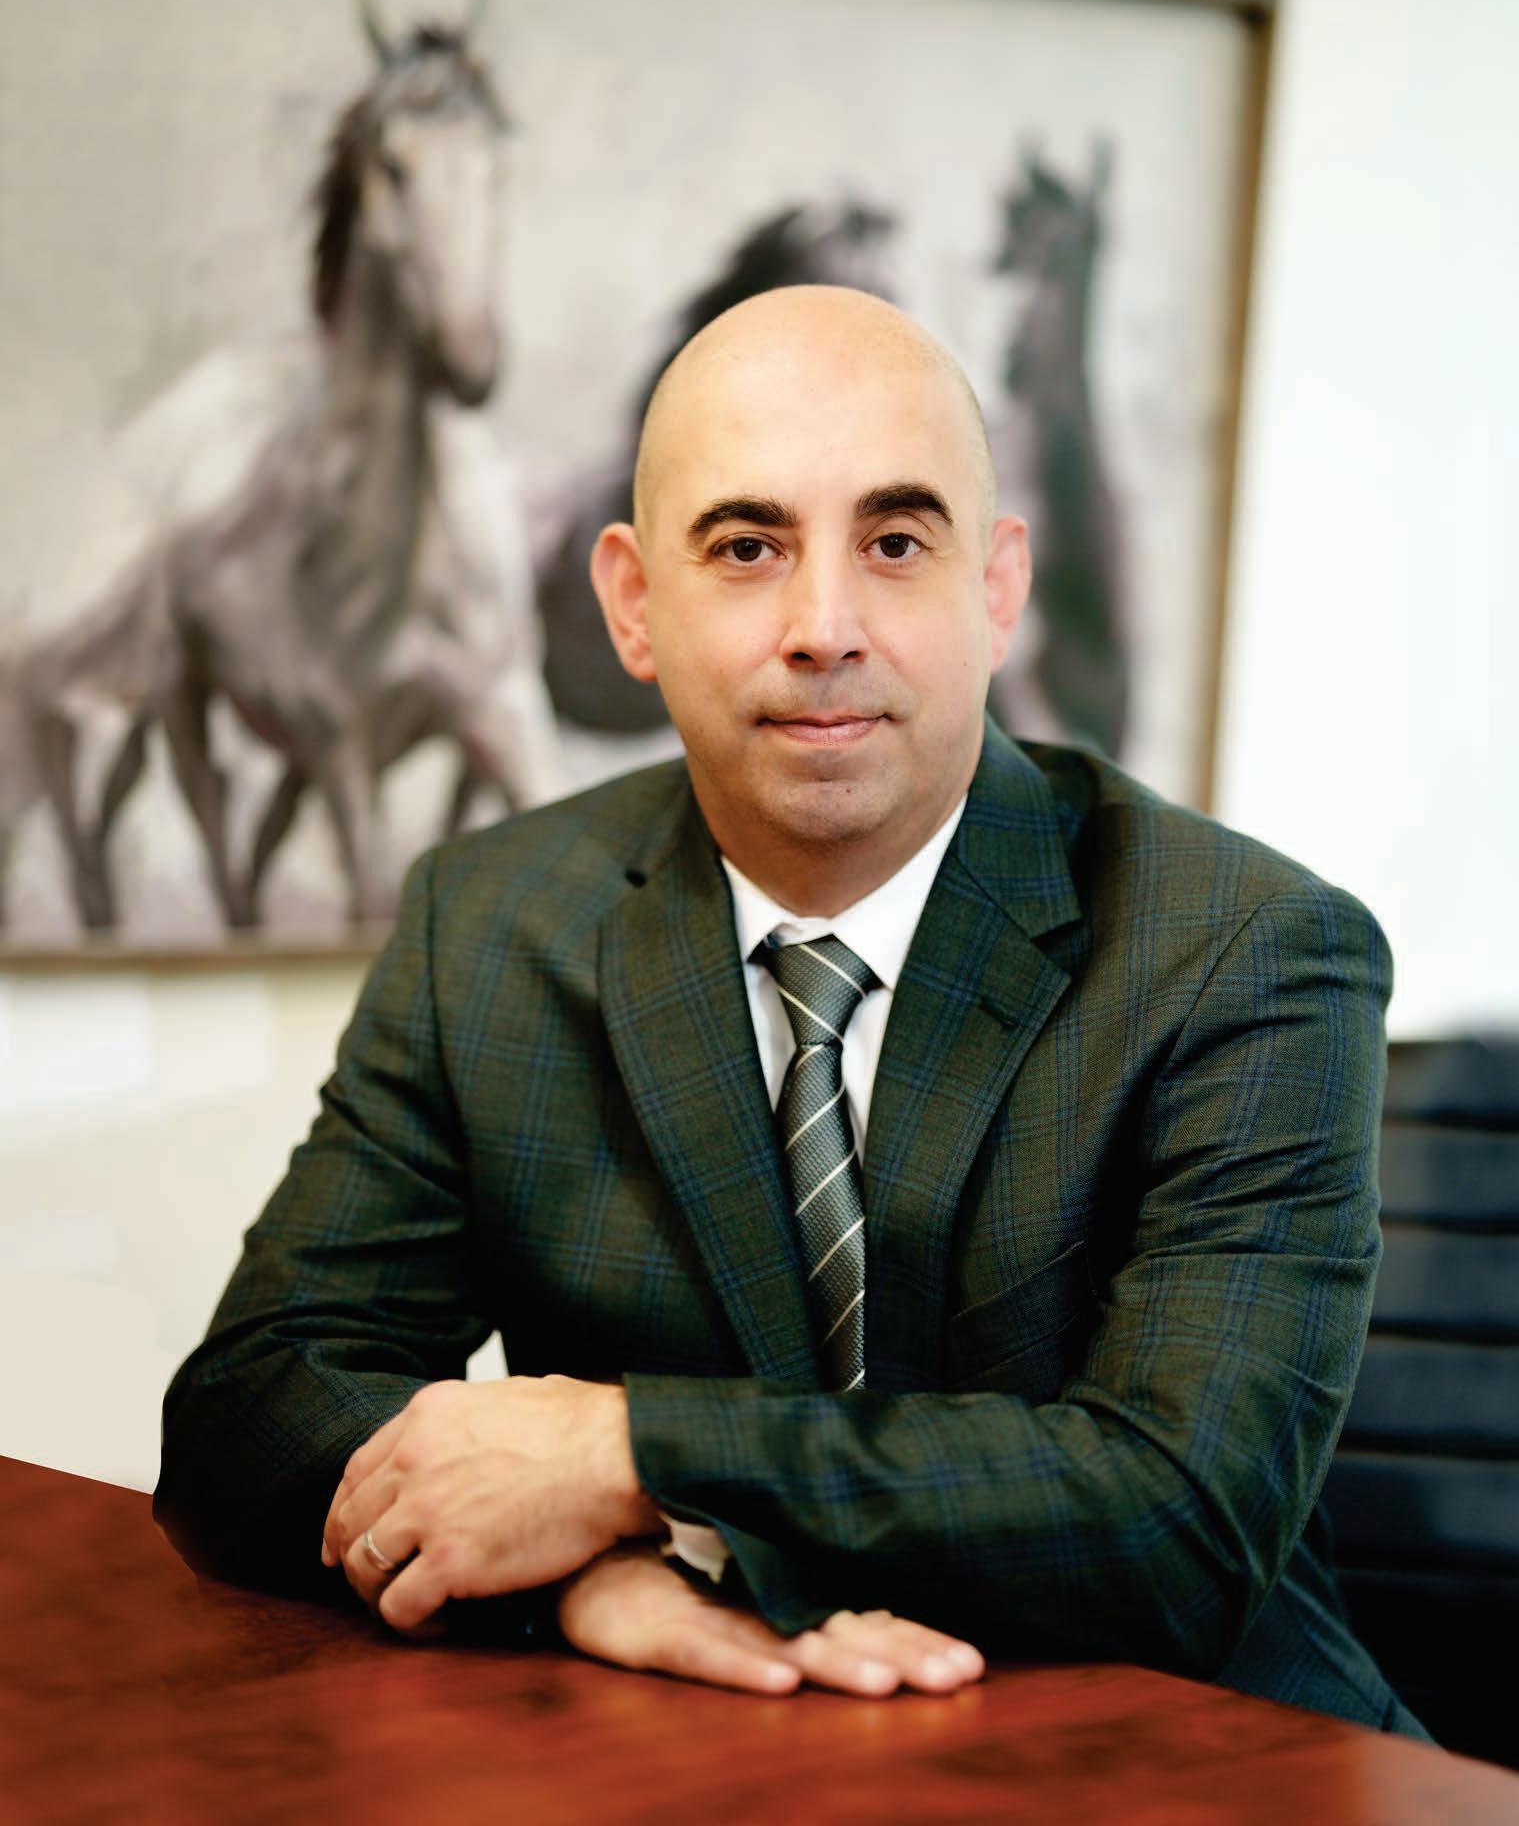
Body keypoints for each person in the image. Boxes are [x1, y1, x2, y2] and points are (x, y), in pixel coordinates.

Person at [156, 285, 1424, 1731]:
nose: (825, 628)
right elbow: (250, 1413)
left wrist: (628, 1457)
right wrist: (590, 1582)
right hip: (696, 1756)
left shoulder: (1247, 952)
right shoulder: (490, 927)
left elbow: (1179, 1521)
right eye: (748, 548)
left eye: (896, 543)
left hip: (1186, 1758)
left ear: (997, 588)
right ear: (634, 605)